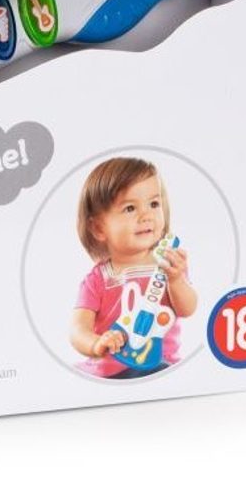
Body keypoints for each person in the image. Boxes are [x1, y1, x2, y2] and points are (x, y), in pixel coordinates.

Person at [69, 157, 197, 379]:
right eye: (130, 208)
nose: (146, 216)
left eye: (154, 204)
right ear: (98, 228)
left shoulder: (169, 265)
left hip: (162, 368)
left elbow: (188, 309)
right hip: (112, 375)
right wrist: (96, 343)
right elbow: (78, 330)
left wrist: (176, 280)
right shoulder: (98, 279)